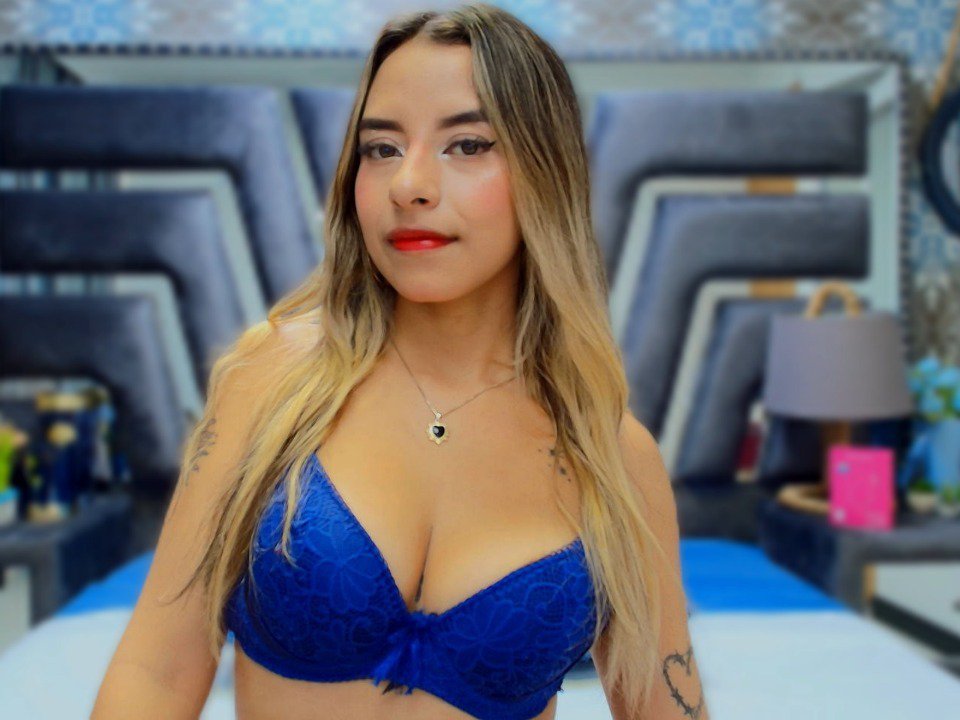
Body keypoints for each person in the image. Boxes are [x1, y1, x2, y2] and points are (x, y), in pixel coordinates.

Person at [92, 4, 708, 719]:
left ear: (547, 173)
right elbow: (157, 671)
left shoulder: (613, 457)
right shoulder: (272, 380)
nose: (408, 184)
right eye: (381, 148)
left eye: (467, 144)